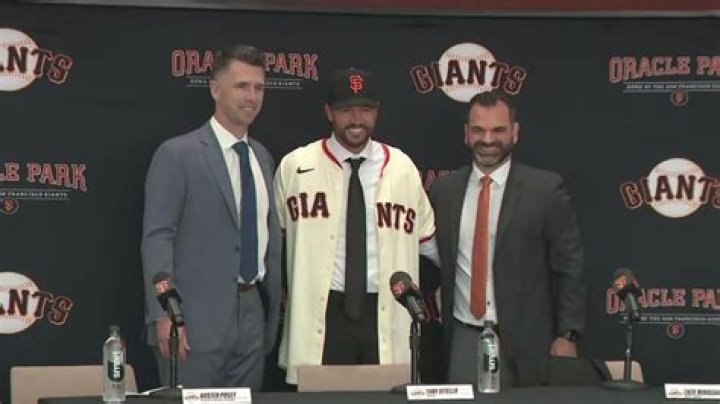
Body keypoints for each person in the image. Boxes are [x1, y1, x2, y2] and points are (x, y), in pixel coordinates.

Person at [273, 67, 437, 384]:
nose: (357, 119)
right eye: (346, 110)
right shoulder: (296, 165)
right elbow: (270, 247)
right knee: (320, 396)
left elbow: (431, 247)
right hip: (323, 310)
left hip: (385, 308)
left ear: (377, 112)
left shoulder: (402, 167)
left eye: (365, 109)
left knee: (386, 396)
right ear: (329, 112)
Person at [141, 44, 281, 390]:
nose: (252, 97)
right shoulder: (178, 154)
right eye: (242, 86)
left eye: (259, 88)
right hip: (192, 318)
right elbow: (158, 238)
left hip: (253, 315)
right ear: (215, 89)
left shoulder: (262, 158)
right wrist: (163, 313)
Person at [427, 90, 585, 387]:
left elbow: (570, 268)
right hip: (463, 338)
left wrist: (568, 335)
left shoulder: (545, 191)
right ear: (466, 134)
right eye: (478, 130)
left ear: (515, 132)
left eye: (498, 130)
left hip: (528, 345)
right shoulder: (443, 192)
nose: (487, 139)